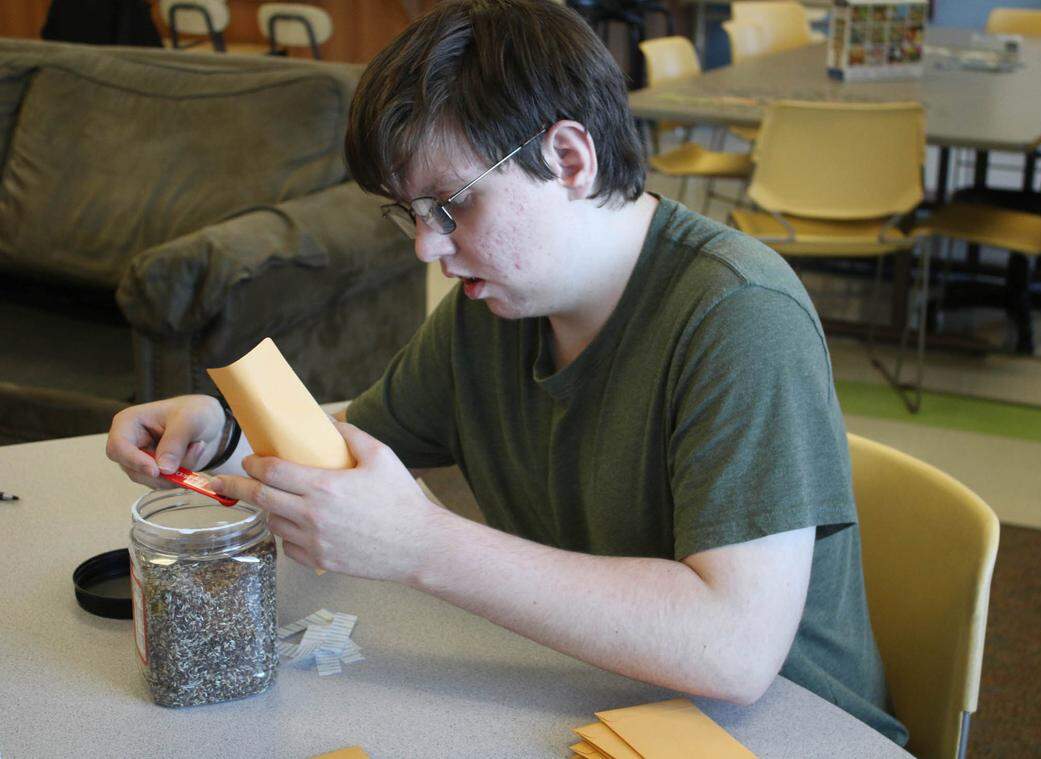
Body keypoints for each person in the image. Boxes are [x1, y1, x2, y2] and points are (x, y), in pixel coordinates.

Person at [106, 0, 906, 744]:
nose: (427, 245)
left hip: (783, 730)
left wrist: (422, 543)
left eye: (452, 205)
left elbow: (734, 648)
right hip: (598, 701)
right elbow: (352, 455)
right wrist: (221, 432)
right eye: (410, 213)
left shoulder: (739, 315)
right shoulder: (494, 313)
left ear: (568, 157)